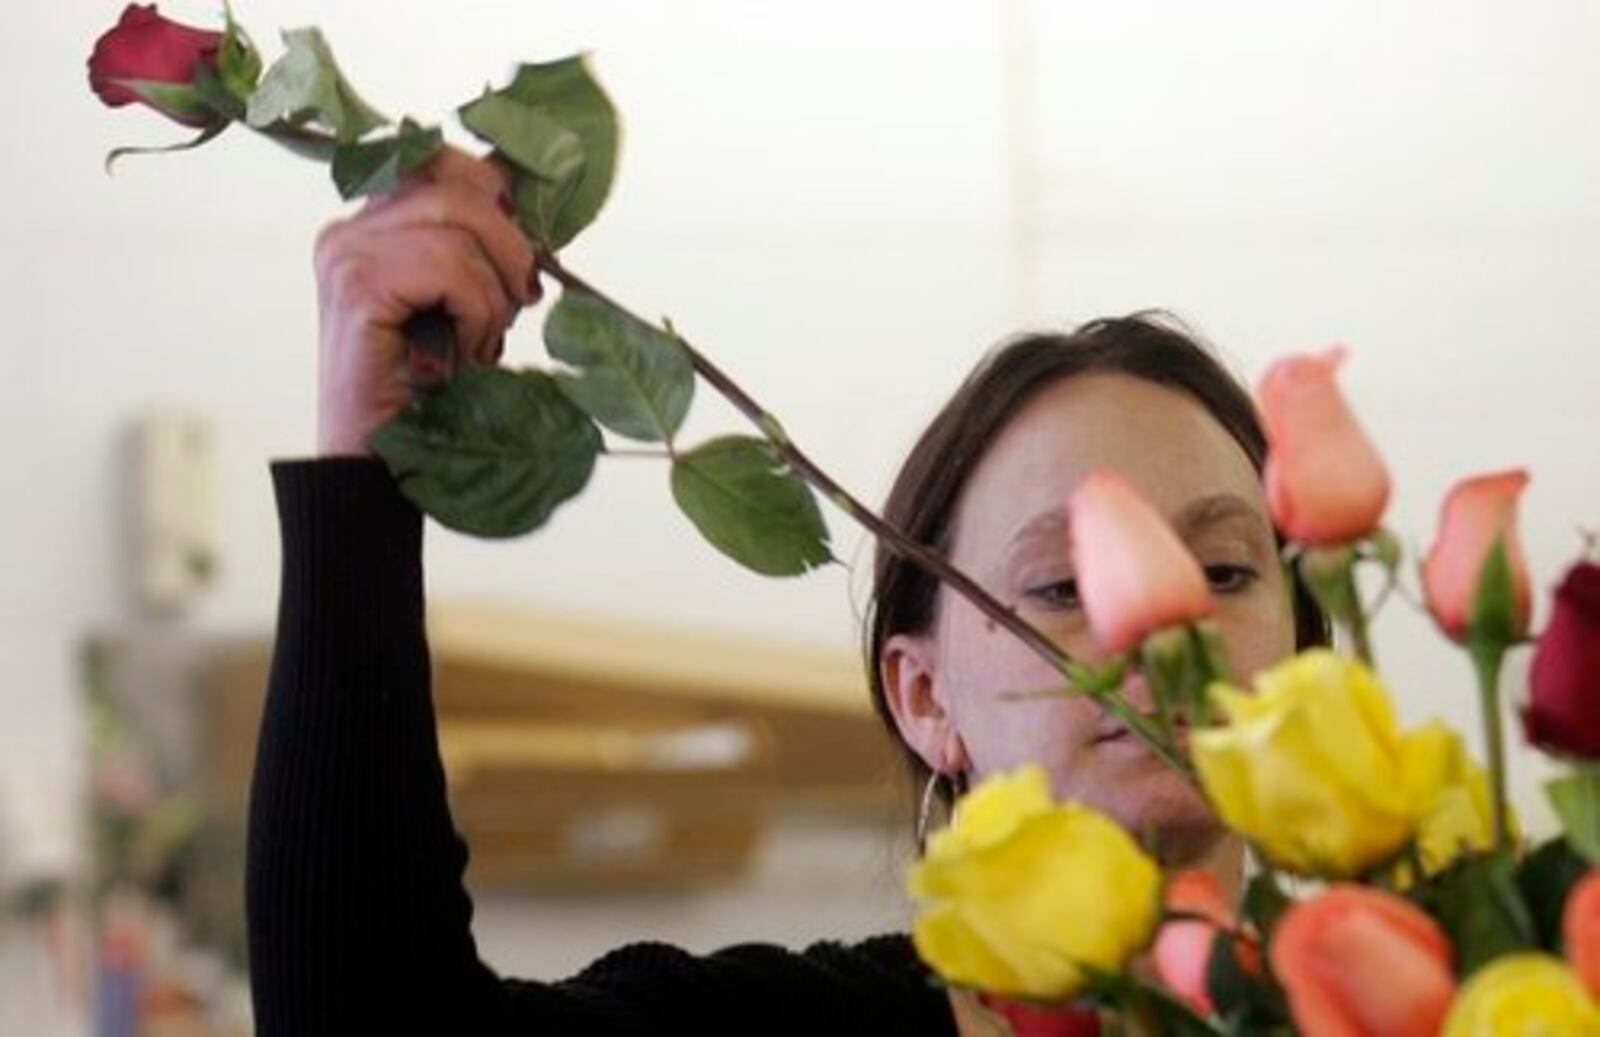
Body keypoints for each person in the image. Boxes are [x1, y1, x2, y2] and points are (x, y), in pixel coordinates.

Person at [245, 149, 1323, 1035]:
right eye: (1058, 582)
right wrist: (369, 478)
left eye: (1226, 569)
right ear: (923, 696)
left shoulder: (1441, 984)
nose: (1165, 617)